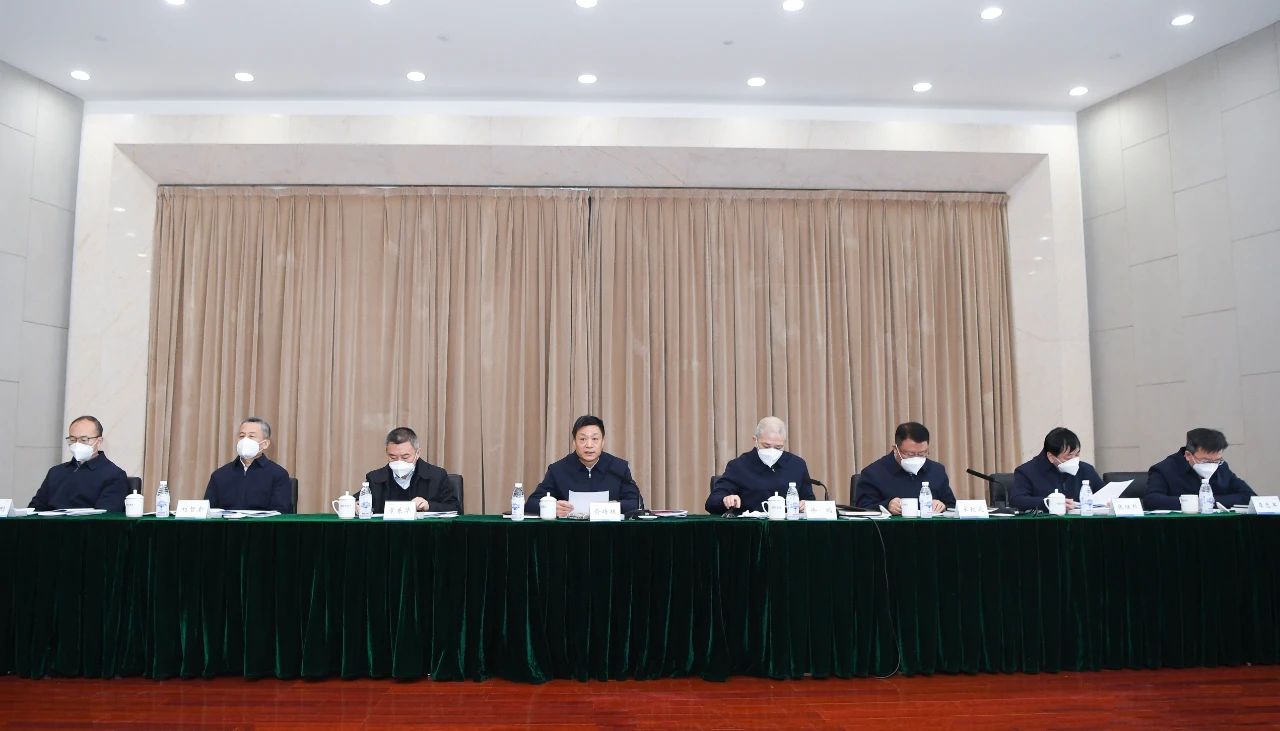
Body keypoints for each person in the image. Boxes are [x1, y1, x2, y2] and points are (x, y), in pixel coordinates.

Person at [526, 415, 641, 517]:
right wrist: (551, 507)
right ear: (574, 443)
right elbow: (531, 504)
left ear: (603, 442)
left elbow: (636, 503)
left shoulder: (618, 468)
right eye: (582, 439)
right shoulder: (558, 470)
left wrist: (612, 507)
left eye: (595, 439)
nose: (589, 445)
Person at [706, 416, 815, 514]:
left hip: (787, 526)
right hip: (750, 527)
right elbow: (712, 502)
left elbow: (809, 500)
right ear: (755, 440)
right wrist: (725, 500)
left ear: (784, 443)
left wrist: (806, 505)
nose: (772, 451)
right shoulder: (738, 466)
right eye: (766, 446)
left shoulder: (797, 465)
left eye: (778, 447)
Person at [29, 415, 128, 512]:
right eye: (72, 440)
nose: (77, 444)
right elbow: (34, 509)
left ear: (99, 441)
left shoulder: (114, 475)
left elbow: (105, 516)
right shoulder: (55, 472)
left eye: (84, 440)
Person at [856, 421, 955, 514]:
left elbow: (951, 506)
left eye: (922, 453)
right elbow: (861, 509)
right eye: (910, 454)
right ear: (896, 449)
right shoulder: (873, 473)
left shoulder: (937, 471)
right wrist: (886, 506)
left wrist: (942, 506)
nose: (916, 458)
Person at [1144, 428, 1255, 510]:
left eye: (1217, 460)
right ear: (1188, 455)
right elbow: (1151, 500)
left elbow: (1249, 496)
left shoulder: (1221, 467)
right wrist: (1191, 503)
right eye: (1205, 461)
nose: (1212, 465)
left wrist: (1210, 502)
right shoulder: (1164, 469)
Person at [203, 417, 292, 512]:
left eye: (251, 436)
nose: (245, 440)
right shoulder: (220, 475)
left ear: (265, 444)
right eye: (242, 436)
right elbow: (208, 511)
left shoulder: (278, 474)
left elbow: (281, 512)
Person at [363, 427, 457, 513]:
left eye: (405, 457)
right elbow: (359, 500)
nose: (399, 462)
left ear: (418, 453)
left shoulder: (437, 476)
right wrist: (356, 505)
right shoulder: (375, 479)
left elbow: (455, 508)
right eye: (393, 457)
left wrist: (429, 506)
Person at [1009, 426, 1104, 511]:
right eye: (1068, 457)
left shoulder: (1086, 470)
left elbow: (1104, 494)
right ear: (1051, 457)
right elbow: (1017, 500)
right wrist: (1049, 503)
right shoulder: (1027, 471)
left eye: (1077, 455)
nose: (1074, 460)